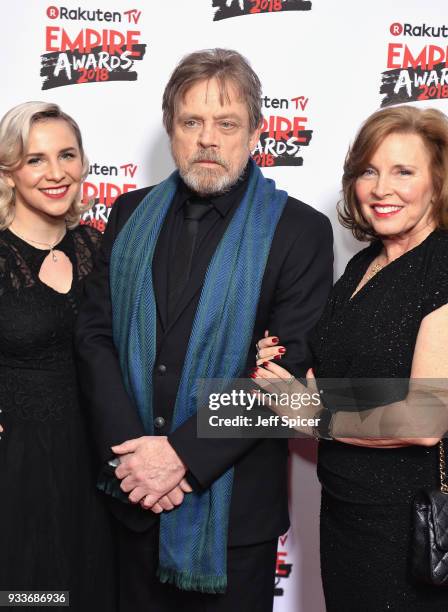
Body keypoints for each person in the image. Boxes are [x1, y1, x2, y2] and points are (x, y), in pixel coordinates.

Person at [74, 48, 333, 612]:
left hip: (234, 516)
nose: (208, 139)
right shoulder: (128, 213)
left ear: (257, 130)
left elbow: (283, 373)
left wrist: (180, 458)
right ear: (172, 129)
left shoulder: (301, 231)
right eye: (192, 122)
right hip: (131, 498)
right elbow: (95, 335)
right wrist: (133, 460)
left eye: (227, 123)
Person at [254, 105, 448, 611]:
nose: (382, 189)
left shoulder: (442, 265)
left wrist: (318, 416)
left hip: (410, 526)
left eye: (404, 171)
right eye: (369, 171)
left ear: (437, 182)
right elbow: (328, 380)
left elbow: (426, 418)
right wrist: (279, 371)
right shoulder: (364, 264)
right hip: (345, 513)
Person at [0, 102, 116, 610]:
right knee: (31, 597)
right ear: (8, 171)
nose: (55, 172)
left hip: (96, 461)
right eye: (35, 159)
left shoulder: (101, 246)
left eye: (66, 155)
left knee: (91, 590)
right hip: (16, 469)